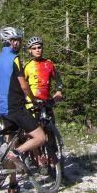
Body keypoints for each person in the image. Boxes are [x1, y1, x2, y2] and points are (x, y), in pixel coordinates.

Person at [0, 26, 46, 193]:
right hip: (16, 107)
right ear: (10, 42)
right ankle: (18, 153)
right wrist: (34, 100)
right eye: (17, 40)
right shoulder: (14, 59)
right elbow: (24, 86)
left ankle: (13, 186)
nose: (19, 43)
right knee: (40, 137)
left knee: (10, 144)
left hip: (3, 110)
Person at [23, 35, 64, 170]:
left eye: (39, 47)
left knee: (50, 131)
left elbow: (59, 80)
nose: (37, 50)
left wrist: (59, 91)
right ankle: (39, 158)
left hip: (46, 103)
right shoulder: (28, 66)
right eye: (34, 48)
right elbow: (22, 85)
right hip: (32, 104)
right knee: (34, 133)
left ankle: (53, 159)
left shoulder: (49, 64)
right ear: (30, 51)